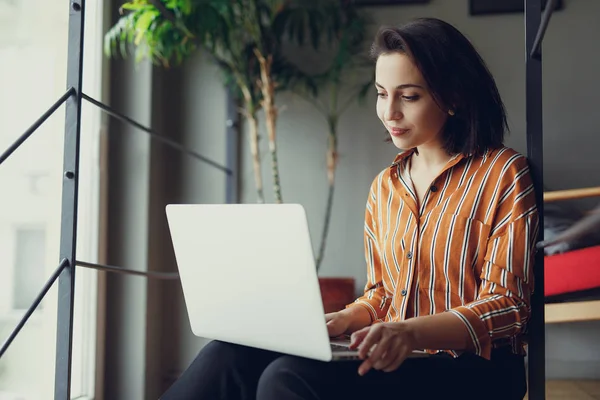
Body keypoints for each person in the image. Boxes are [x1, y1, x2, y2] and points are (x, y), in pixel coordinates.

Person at [161, 17, 538, 400]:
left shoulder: (503, 174)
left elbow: (508, 306)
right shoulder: (385, 187)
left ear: (454, 97)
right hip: (397, 355)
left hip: (473, 369)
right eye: (380, 93)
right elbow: (381, 295)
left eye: (408, 96)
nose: (389, 112)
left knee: (288, 377)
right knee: (231, 355)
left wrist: (409, 331)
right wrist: (343, 318)